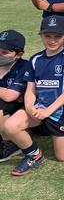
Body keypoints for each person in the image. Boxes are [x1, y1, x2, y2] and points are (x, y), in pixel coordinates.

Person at [0, 16, 64, 176]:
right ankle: (34, 155)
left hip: (61, 112)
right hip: (39, 109)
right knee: (10, 126)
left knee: (63, 156)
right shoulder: (35, 59)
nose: (52, 40)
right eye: (48, 36)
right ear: (41, 35)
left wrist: (48, 111)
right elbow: (30, 90)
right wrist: (29, 107)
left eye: (57, 36)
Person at [0, 30, 30, 162]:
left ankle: (10, 143)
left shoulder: (24, 66)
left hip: (23, 109)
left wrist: (6, 93)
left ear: (19, 54)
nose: (0, 55)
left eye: (5, 52)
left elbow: (10, 96)